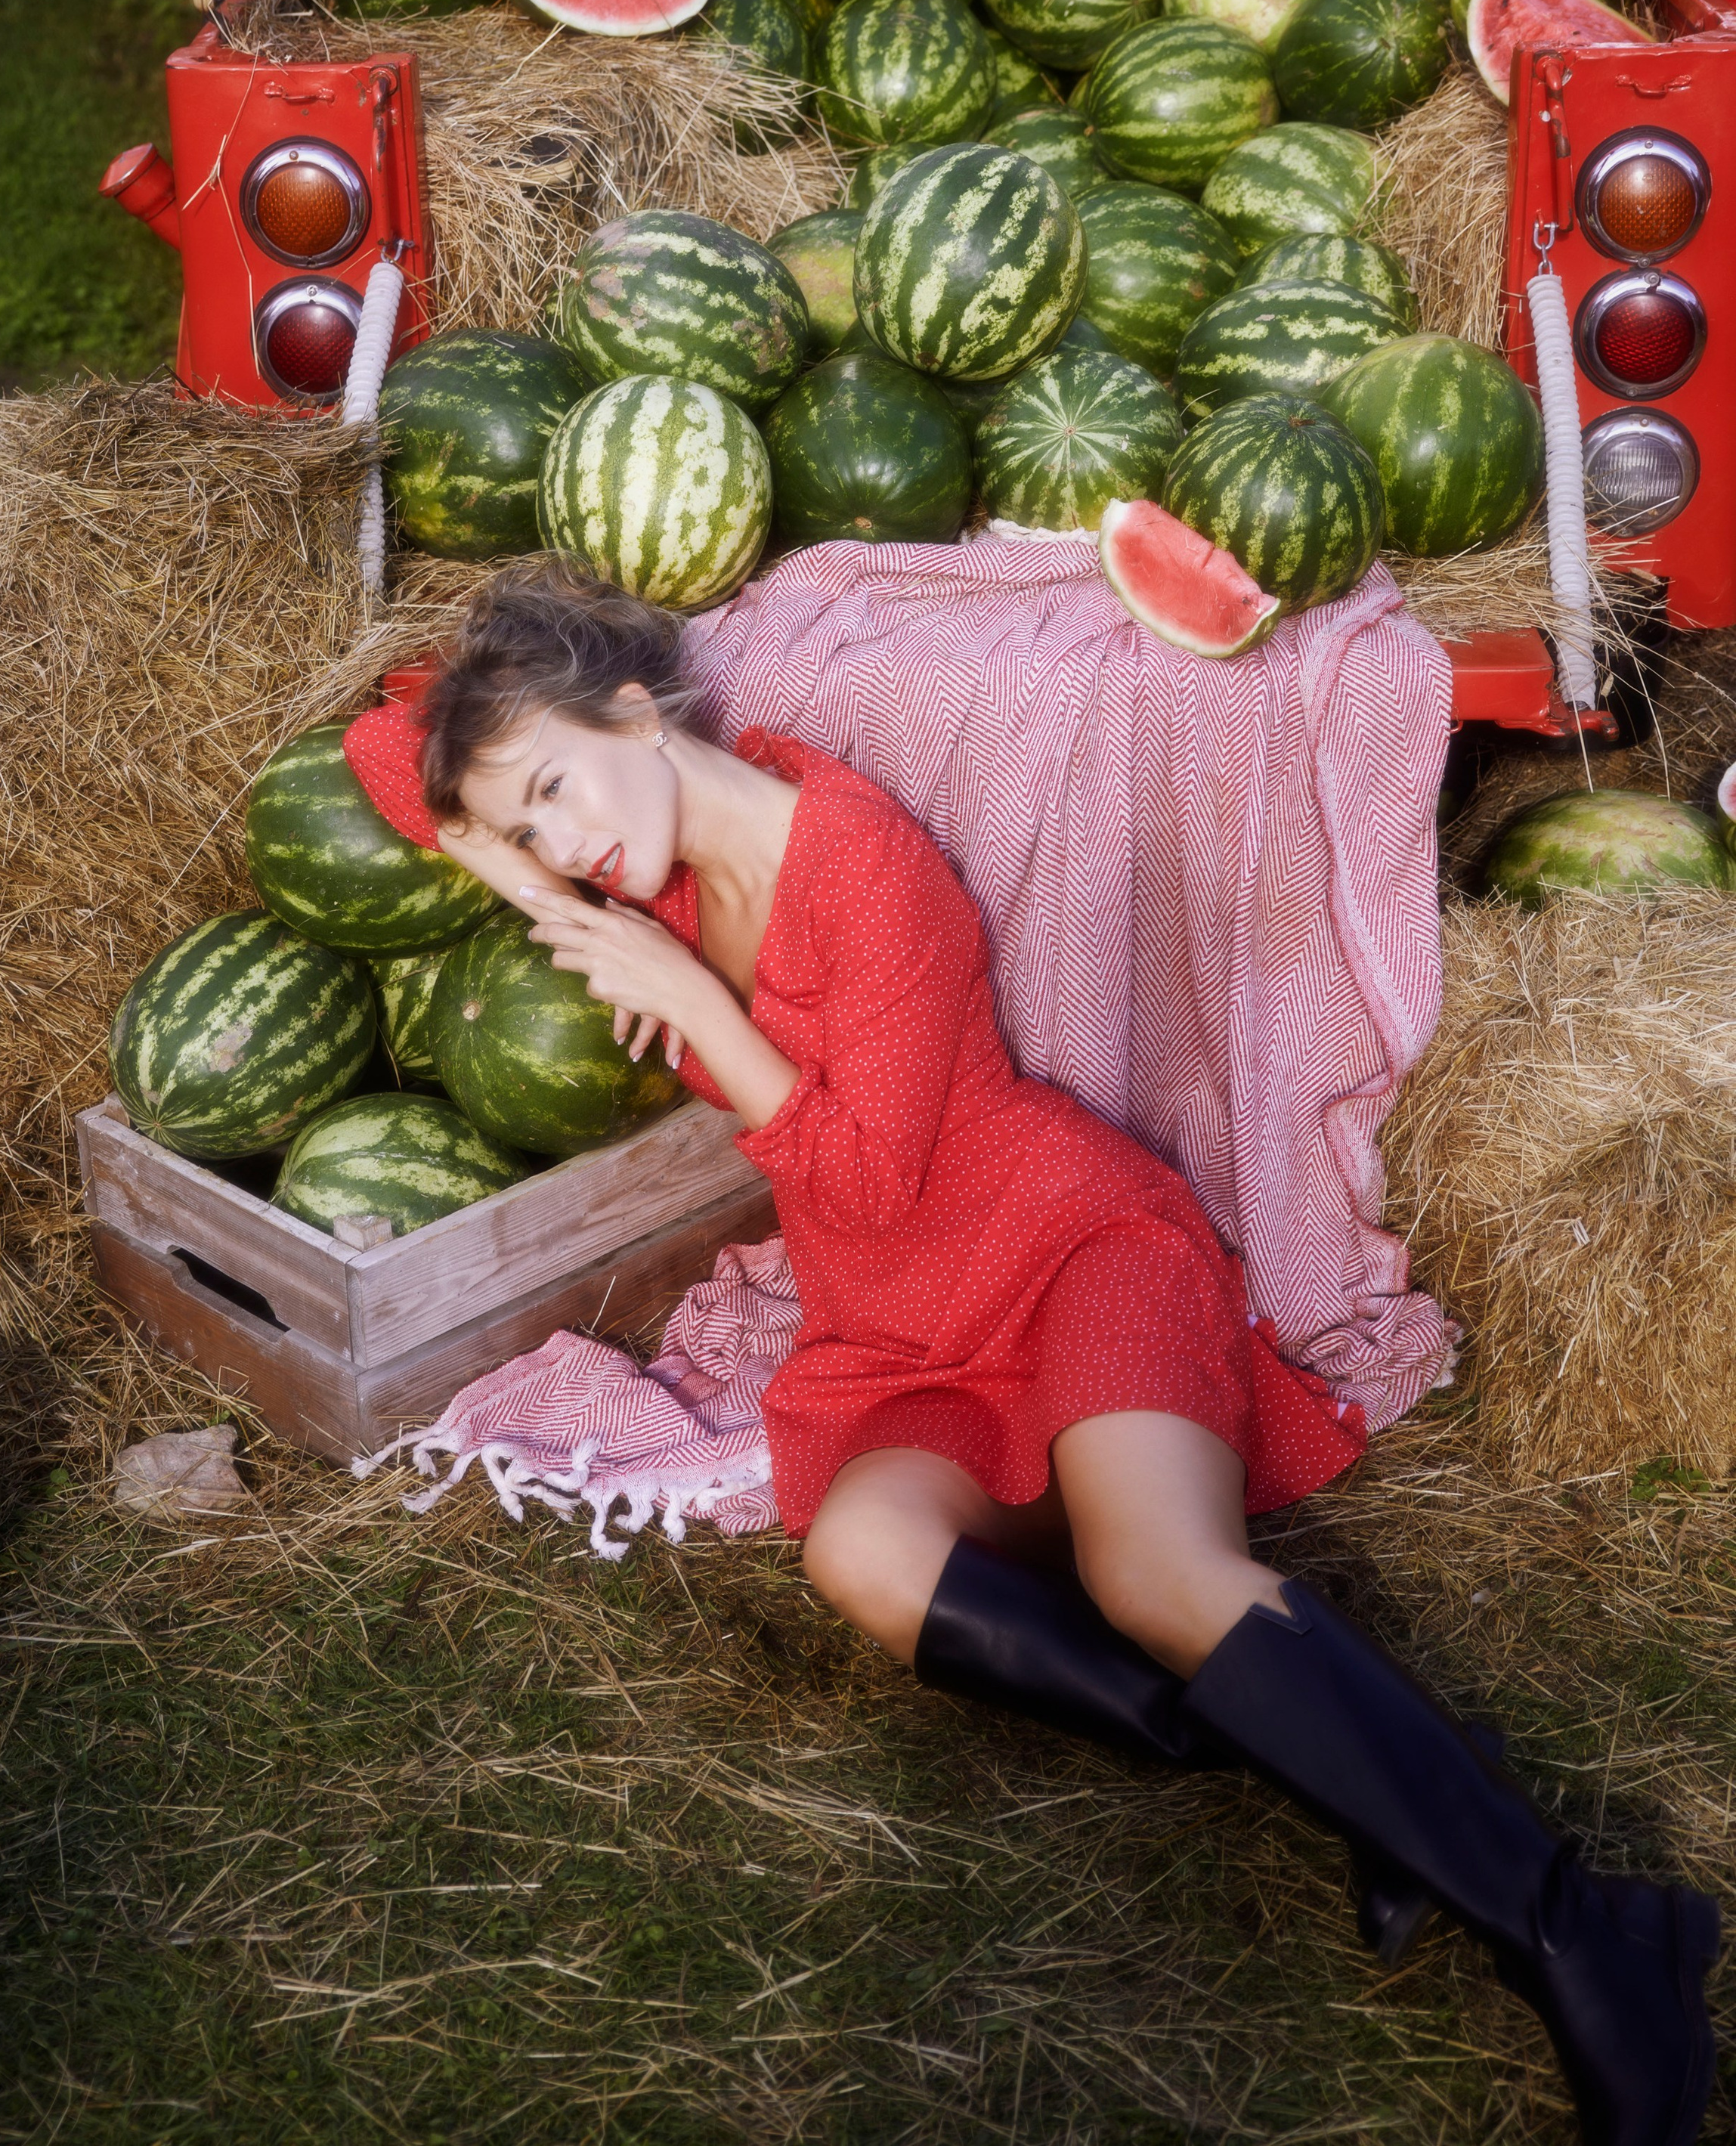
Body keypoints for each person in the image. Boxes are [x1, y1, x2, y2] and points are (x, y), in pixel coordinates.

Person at [416, 560, 1717, 2146]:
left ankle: (1587, 1932)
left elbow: (870, 1176)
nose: (560, 852)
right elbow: (389, 764)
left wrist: (695, 999)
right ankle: (1361, 1780)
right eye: (526, 831)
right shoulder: (656, 870)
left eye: (556, 792)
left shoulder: (858, 862)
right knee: (863, 1552)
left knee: (1152, 1575)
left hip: (1067, 1245)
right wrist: (503, 832)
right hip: (897, 1332)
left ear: (635, 707)